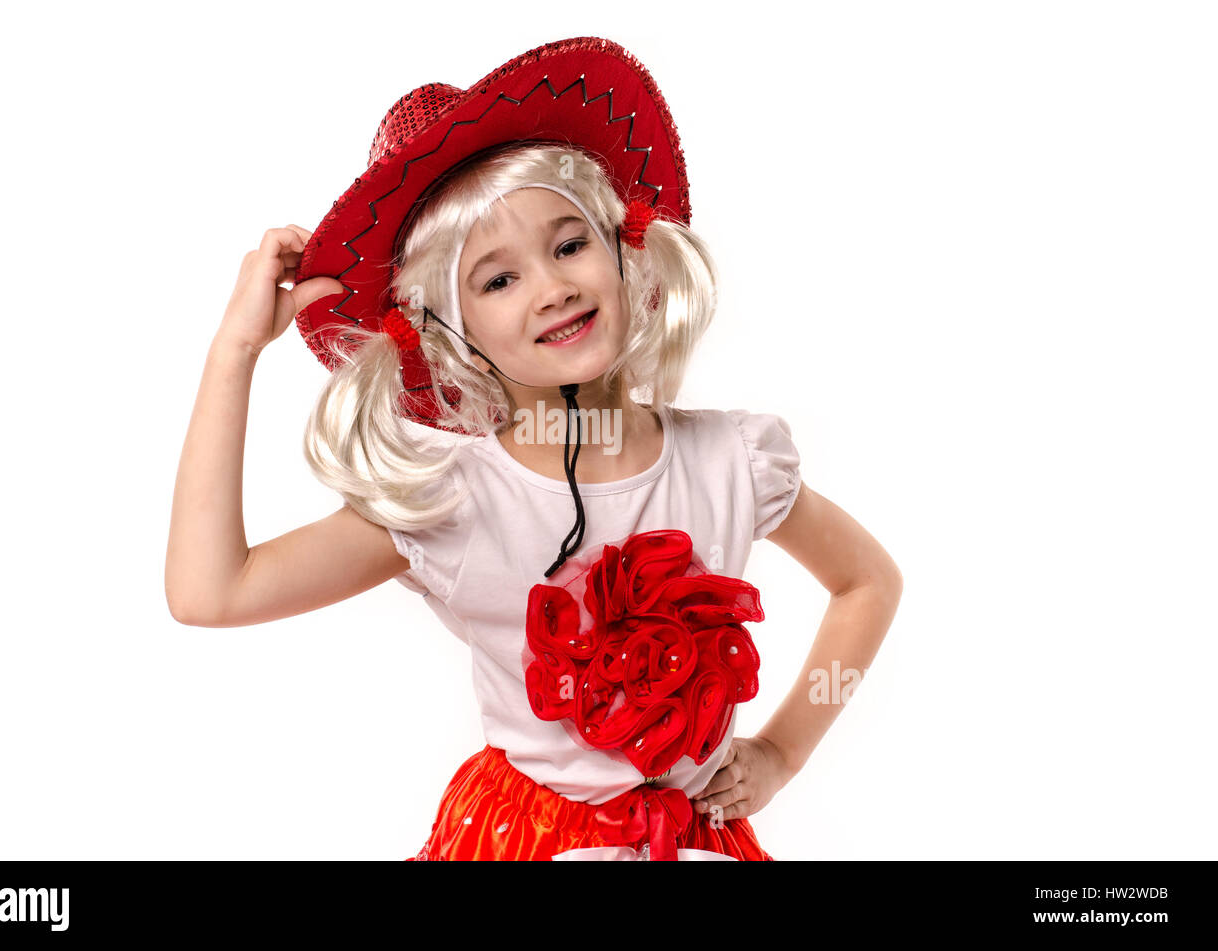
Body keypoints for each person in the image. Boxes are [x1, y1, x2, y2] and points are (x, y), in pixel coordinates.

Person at [165, 36, 903, 861]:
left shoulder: (733, 460)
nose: (552, 287)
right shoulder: (454, 499)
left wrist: (780, 752)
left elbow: (867, 581)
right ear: (446, 330)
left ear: (626, 247)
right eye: (497, 279)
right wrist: (234, 354)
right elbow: (211, 591)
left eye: (567, 244)